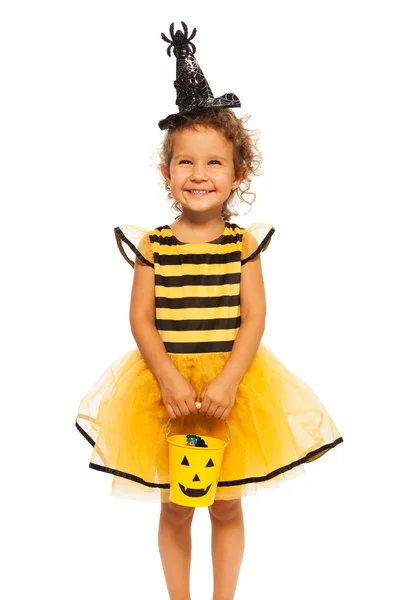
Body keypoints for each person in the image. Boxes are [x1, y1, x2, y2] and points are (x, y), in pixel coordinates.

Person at [75, 22, 344, 600]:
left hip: (231, 388)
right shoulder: (154, 245)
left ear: (237, 173)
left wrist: (227, 380)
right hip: (165, 392)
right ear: (166, 172)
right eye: (186, 163)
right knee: (176, 507)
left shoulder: (242, 244)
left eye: (214, 163)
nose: (199, 175)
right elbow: (141, 319)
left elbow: (254, 319)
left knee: (224, 504)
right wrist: (168, 377)